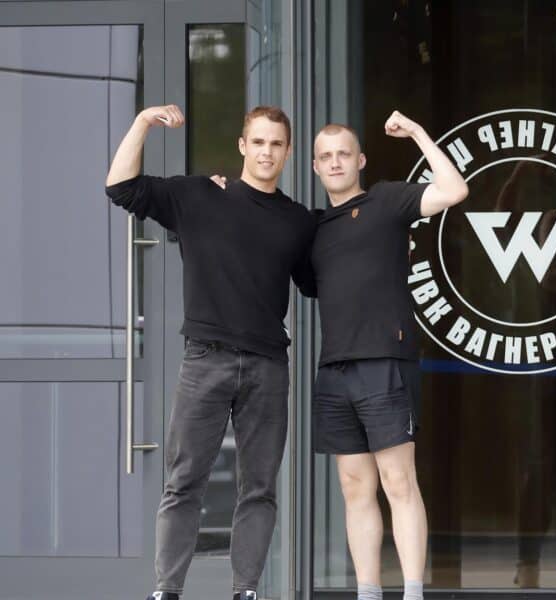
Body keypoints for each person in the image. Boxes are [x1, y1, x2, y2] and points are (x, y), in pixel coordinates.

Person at [105, 104, 316, 600]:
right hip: (206, 359)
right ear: (243, 146)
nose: (267, 151)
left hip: (268, 367)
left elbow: (319, 282)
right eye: (258, 142)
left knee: (260, 488)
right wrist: (141, 123)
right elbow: (120, 187)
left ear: (287, 152)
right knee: (184, 483)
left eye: (276, 144)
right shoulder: (198, 194)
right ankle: (167, 591)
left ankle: (245, 591)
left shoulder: (298, 222)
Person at [309, 111, 467, 600]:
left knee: (398, 482)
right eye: (325, 156)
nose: (335, 162)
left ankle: (413, 592)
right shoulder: (313, 229)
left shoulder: (386, 200)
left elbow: (453, 190)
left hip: (385, 362)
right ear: (315, 166)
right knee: (355, 488)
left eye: (343, 154)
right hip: (334, 370)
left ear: (360, 160)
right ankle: (368, 592)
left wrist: (419, 133)